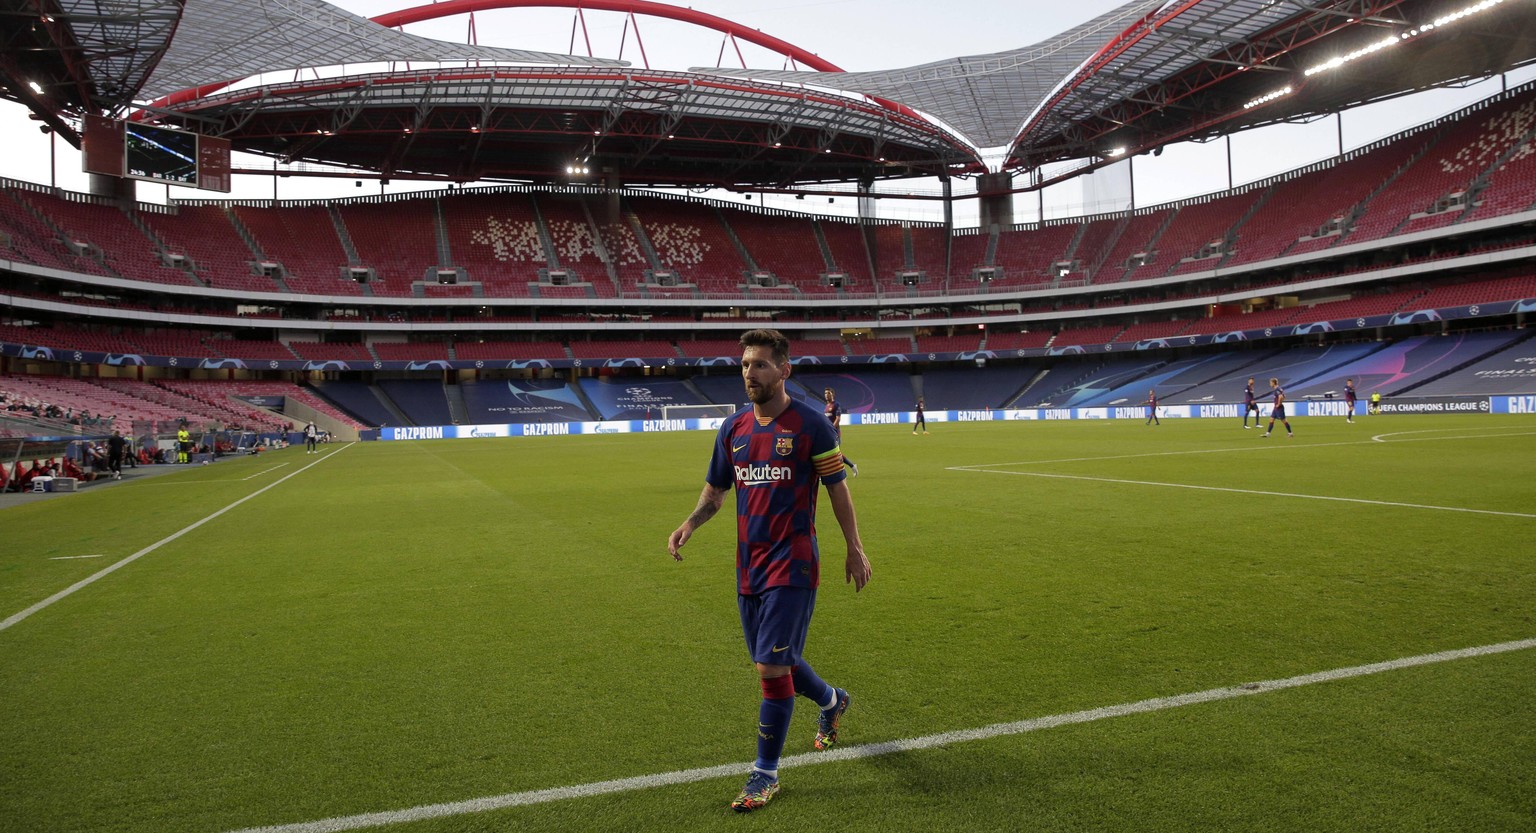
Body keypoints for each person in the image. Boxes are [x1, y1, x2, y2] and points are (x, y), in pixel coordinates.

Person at [667, 328, 872, 814]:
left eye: (760, 364)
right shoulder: (733, 429)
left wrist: (854, 547)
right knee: (776, 658)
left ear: (784, 370)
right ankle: (831, 701)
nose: (750, 373)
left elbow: (837, 488)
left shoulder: (810, 426)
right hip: (748, 566)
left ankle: (764, 774)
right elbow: (716, 492)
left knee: (770, 667)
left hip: (794, 562)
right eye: (744, 365)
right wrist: (689, 524)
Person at [821, 387, 858, 476]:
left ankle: (851, 466)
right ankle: (851, 466)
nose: (826, 395)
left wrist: (831, 429)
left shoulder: (836, 405)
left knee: (834, 453)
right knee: (827, 453)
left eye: (828, 393)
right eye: (825, 393)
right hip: (828, 433)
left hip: (835, 433)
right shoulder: (826, 406)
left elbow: (838, 419)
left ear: (833, 394)